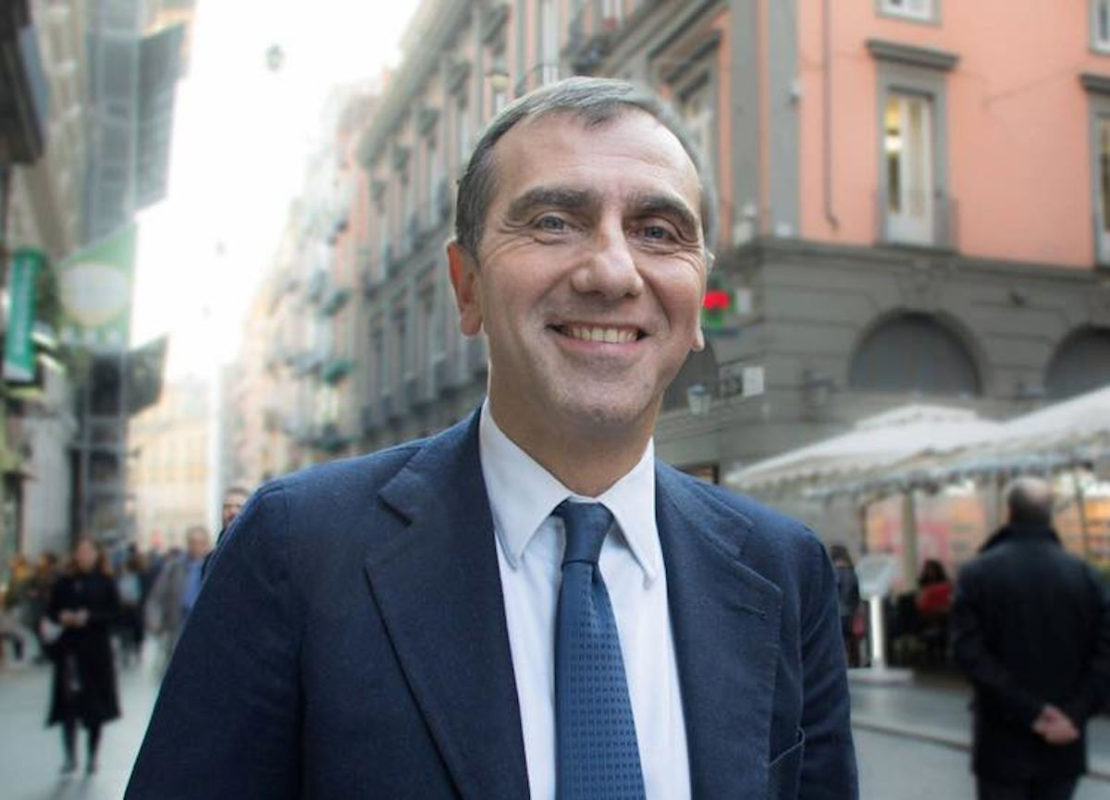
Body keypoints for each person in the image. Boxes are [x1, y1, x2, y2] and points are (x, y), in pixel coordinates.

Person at [126, 77, 857, 799]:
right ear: (467, 285)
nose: (612, 272)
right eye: (554, 222)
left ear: (698, 297)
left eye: (658, 232)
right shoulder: (297, 547)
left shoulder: (783, 568)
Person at [951, 476, 1110, 800]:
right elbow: (1105, 653)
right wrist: (1073, 713)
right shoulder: (1084, 575)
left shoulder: (978, 574)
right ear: (1050, 513)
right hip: (1064, 741)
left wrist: (1031, 712)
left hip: (1002, 741)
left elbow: (968, 653)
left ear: (1008, 512)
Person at [44, 538, 121, 775]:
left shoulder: (105, 582)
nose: (84, 556)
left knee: (95, 708)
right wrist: (63, 617)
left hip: (96, 653)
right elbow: (51, 610)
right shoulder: (65, 582)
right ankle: (70, 757)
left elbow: (115, 614)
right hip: (70, 651)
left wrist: (90, 617)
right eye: (80, 551)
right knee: (68, 705)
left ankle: (92, 757)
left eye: (88, 551)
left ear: (97, 555)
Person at [143, 526, 210, 668]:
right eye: (193, 542)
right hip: (177, 628)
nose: (197, 547)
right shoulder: (174, 566)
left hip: (203, 630)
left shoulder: (212, 566)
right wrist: (155, 621)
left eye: (201, 543)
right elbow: (156, 596)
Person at [829, 544, 862, 668]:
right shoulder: (852, 572)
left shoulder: (833, 572)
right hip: (850, 612)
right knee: (851, 638)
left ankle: (839, 663)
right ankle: (854, 661)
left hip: (837, 611)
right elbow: (856, 595)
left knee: (837, 639)